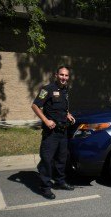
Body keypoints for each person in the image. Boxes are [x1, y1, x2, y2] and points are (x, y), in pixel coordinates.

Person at [31, 66, 75, 199]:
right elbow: (35, 105)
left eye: (66, 75)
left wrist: (68, 114)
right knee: (47, 159)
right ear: (56, 75)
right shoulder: (47, 89)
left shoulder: (65, 90)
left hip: (63, 131)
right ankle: (45, 187)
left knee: (61, 159)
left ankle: (60, 182)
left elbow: (61, 107)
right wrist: (46, 120)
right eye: (61, 75)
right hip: (51, 132)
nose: (64, 78)